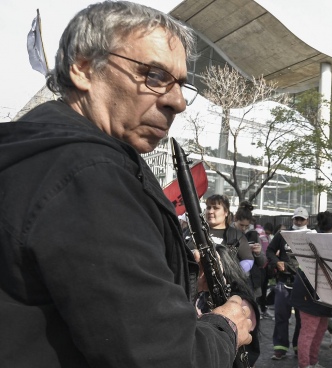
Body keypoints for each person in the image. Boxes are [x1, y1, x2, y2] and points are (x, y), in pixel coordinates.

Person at [0, 2, 251, 367]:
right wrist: (224, 327)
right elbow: (162, 358)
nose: (178, 102)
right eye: (154, 75)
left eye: (181, 84)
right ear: (84, 68)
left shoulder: (43, 151)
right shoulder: (88, 176)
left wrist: (171, 280)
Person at [291, 211, 332, 368]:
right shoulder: (317, 240)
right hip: (309, 293)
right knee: (308, 332)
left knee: (320, 330)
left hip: (321, 294)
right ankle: (304, 365)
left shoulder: (318, 238)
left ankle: (313, 361)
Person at [266, 207, 309, 359]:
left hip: (302, 283)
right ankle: (280, 348)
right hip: (283, 281)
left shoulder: (310, 236)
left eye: (301, 219)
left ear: (307, 221)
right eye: (296, 219)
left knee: (301, 318)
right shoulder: (282, 235)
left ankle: (299, 347)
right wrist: (277, 262)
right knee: (281, 316)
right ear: (292, 219)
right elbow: (270, 250)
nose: (298, 222)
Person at [205, 195, 255, 274]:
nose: (210, 211)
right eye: (208, 207)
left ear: (226, 212)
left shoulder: (236, 236)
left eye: (216, 208)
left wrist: (233, 274)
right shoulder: (193, 232)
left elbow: (248, 260)